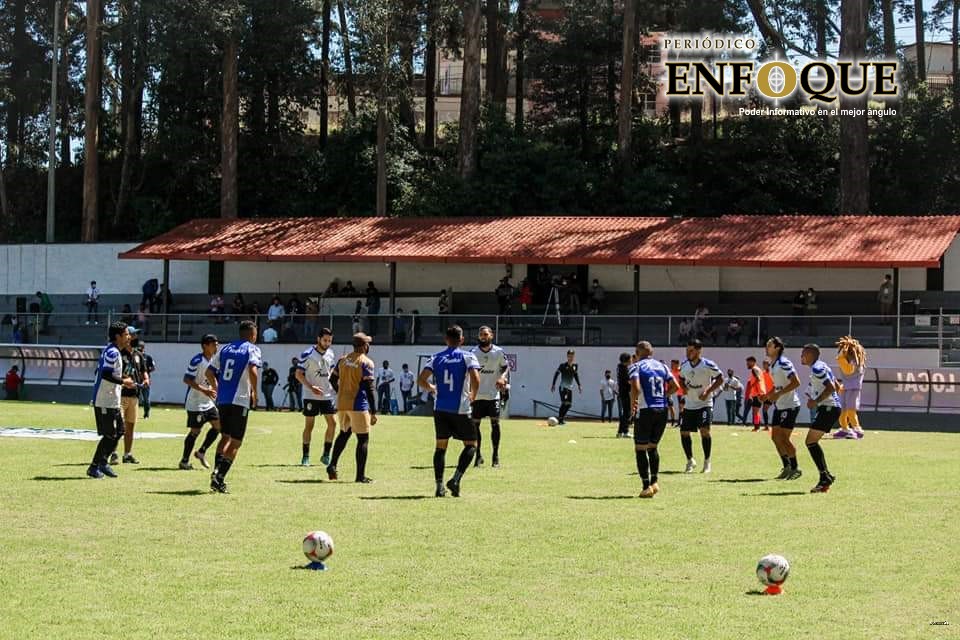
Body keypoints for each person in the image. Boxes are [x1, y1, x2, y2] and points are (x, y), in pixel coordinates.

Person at [418, 325, 481, 497]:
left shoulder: (435, 358)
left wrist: (432, 388)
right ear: (462, 340)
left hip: (440, 408)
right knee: (471, 445)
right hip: (460, 408)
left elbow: (421, 380)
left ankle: (439, 486)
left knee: (440, 447)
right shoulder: (468, 356)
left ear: (446, 339)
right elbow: (475, 377)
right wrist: (473, 395)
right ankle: (455, 479)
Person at [205, 320, 261, 493]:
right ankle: (219, 477)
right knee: (236, 441)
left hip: (223, 400)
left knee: (225, 436)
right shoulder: (252, 349)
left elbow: (209, 372)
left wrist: (217, 388)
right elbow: (253, 370)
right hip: (240, 400)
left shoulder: (225, 349)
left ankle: (216, 470)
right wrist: (255, 393)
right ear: (252, 334)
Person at [326, 332, 378, 483]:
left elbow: (332, 379)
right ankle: (360, 476)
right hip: (358, 404)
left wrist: (341, 392)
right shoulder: (366, 362)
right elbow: (370, 388)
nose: (369, 346)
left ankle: (332, 465)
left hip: (342, 404)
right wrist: (374, 411)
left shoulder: (343, 360)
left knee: (344, 434)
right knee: (363, 439)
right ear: (364, 346)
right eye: (367, 343)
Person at [87, 323, 137, 479]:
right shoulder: (113, 353)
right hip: (104, 399)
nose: (129, 337)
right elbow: (106, 374)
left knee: (119, 431)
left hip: (112, 399)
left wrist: (123, 379)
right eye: (126, 334)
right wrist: (124, 382)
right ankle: (94, 466)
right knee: (110, 434)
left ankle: (102, 463)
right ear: (118, 336)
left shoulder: (114, 351)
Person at [630, 341, 678, 498]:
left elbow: (636, 388)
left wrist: (633, 405)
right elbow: (675, 386)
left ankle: (646, 486)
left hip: (645, 410)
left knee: (640, 448)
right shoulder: (663, 366)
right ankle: (655, 482)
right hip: (662, 410)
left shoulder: (636, 366)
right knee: (652, 447)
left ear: (637, 353)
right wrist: (663, 396)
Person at [677, 339, 723, 473]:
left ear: (698, 351)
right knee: (684, 432)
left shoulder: (708, 364)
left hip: (704, 404)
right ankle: (690, 460)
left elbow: (720, 378)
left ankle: (707, 462)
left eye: (691, 350)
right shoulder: (684, 365)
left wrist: (708, 391)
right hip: (690, 405)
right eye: (687, 350)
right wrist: (683, 387)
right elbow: (680, 378)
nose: (688, 353)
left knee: (705, 431)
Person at [180, 334, 223, 470]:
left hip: (208, 401)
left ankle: (201, 452)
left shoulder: (215, 360)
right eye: (214, 344)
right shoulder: (197, 360)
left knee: (219, 426)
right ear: (205, 345)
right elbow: (187, 379)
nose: (216, 346)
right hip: (195, 402)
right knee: (195, 431)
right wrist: (205, 390)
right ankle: (184, 461)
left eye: (217, 343)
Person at [296, 328, 338, 467]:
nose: (327, 343)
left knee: (333, 424)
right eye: (325, 340)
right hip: (311, 395)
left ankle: (326, 455)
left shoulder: (331, 354)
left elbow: (331, 372)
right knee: (309, 425)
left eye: (330, 341)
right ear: (318, 339)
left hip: (327, 395)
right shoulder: (307, 354)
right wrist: (311, 387)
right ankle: (305, 456)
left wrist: (335, 386)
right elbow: (298, 374)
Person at [801, 343, 840, 493]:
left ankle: (824, 478)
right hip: (830, 407)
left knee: (810, 442)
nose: (801, 357)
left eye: (803, 354)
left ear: (810, 355)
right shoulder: (821, 365)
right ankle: (826, 476)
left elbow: (831, 387)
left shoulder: (817, 368)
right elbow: (836, 384)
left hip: (829, 408)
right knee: (811, 441)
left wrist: (816, 401)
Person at [469, 326, 509, 467]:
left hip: (493, 395)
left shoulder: (498, 352)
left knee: (495, 425)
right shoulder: (473, 352)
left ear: (491, 335)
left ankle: (495, 456)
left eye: (485, 334)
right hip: (477, 396)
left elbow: (505, 367)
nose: (483, 337)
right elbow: (468, 372)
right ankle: (478, 455)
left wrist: (503, 378)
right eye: (481, 334)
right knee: (475, 427)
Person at [764, 336, 803, 481]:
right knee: (775, 438)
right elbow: (777, 385)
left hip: (790, 406)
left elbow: (796, 382)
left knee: (784, 439)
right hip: (780, 406)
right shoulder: (773, 365)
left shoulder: (784, 363)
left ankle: (795, 468)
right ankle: (786, 466)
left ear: (777, 348)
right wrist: (767, 396)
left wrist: (778, 394)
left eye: (769, 345)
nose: (767, 347)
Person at [112, 330, 148, 465]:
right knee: (118, 427)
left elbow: (143, 370)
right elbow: (113, 374)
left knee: (131, 426)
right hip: (120, 396)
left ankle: (127, 454)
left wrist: (146, 379)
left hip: (134, 396)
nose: (135, 338)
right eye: (132, 335)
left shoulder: (138, 354)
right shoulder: (118, 354)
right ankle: (113, 453)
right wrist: (124, 381)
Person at [835, 335, 867, 439]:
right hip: (845, 388)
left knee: (851, 409)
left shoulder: (856, 361)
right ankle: (844, 429)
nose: (844, 351)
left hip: (853, 388)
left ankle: (857, 430)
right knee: (843, 410)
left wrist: (841, 359)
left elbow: (848, 371)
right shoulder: (846, 359)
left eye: (846, 348)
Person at [550, 350, 582, 425]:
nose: (571, 357)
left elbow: (575, 375)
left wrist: (579, 385)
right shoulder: (562, 365)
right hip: (563, 387)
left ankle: (561, 419)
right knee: (564, 403)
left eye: (572, 356)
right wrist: (553, 384)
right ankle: (560, 420)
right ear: (567, 356)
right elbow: (556, 374)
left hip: (570, 388)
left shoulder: (575, 366)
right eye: (569, 356)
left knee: (569, 405)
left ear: (574, 356)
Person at [742, 357, 767, 429]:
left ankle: (757, 427)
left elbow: (758, 379)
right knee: (755, 411)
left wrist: (753, 386)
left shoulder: (754, 369)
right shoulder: (758, 369)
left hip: (758, 393)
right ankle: (757, 426)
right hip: (758, 393)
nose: (747, 364)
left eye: (748, 363)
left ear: (753, 362)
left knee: (755, 412)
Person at [615, 353, 633, 437]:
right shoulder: (624, 369)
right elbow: (628, 382)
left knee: (626, 412)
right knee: (627, 412)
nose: (631, 360)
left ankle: (621, 432)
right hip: (625, 392)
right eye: (630, 359)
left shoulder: (621, 367)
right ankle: (624, 431)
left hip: (623, 392)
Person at [139, 343, 156, 418]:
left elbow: (153, 367)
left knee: (146, 399)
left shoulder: (148, 357)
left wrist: (146, 371)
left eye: (141, 348)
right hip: (136, 380)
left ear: (143, 348)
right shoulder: (134, 356)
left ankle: (146, 413)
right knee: (133, 398)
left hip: (145, 380)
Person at [670, 359, 684, 427]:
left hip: (684, 393)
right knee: (681, 408)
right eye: (671, 364)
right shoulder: (671, 371)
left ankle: (681, 422)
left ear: (677, 364)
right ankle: (680, 422)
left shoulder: (682, 371)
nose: (671, 366)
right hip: (678, 393)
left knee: (682, 407)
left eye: (673, 364)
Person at [761, 360, 775, 427]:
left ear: (768, 365)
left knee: (779, 408)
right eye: (763, 364)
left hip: (773, 394)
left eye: (765, 364)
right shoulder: (763, 373)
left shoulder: (772, 373)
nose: (763, 366)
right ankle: (766, 425)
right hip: (766, 394)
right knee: (764, 410)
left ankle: (779, 425)